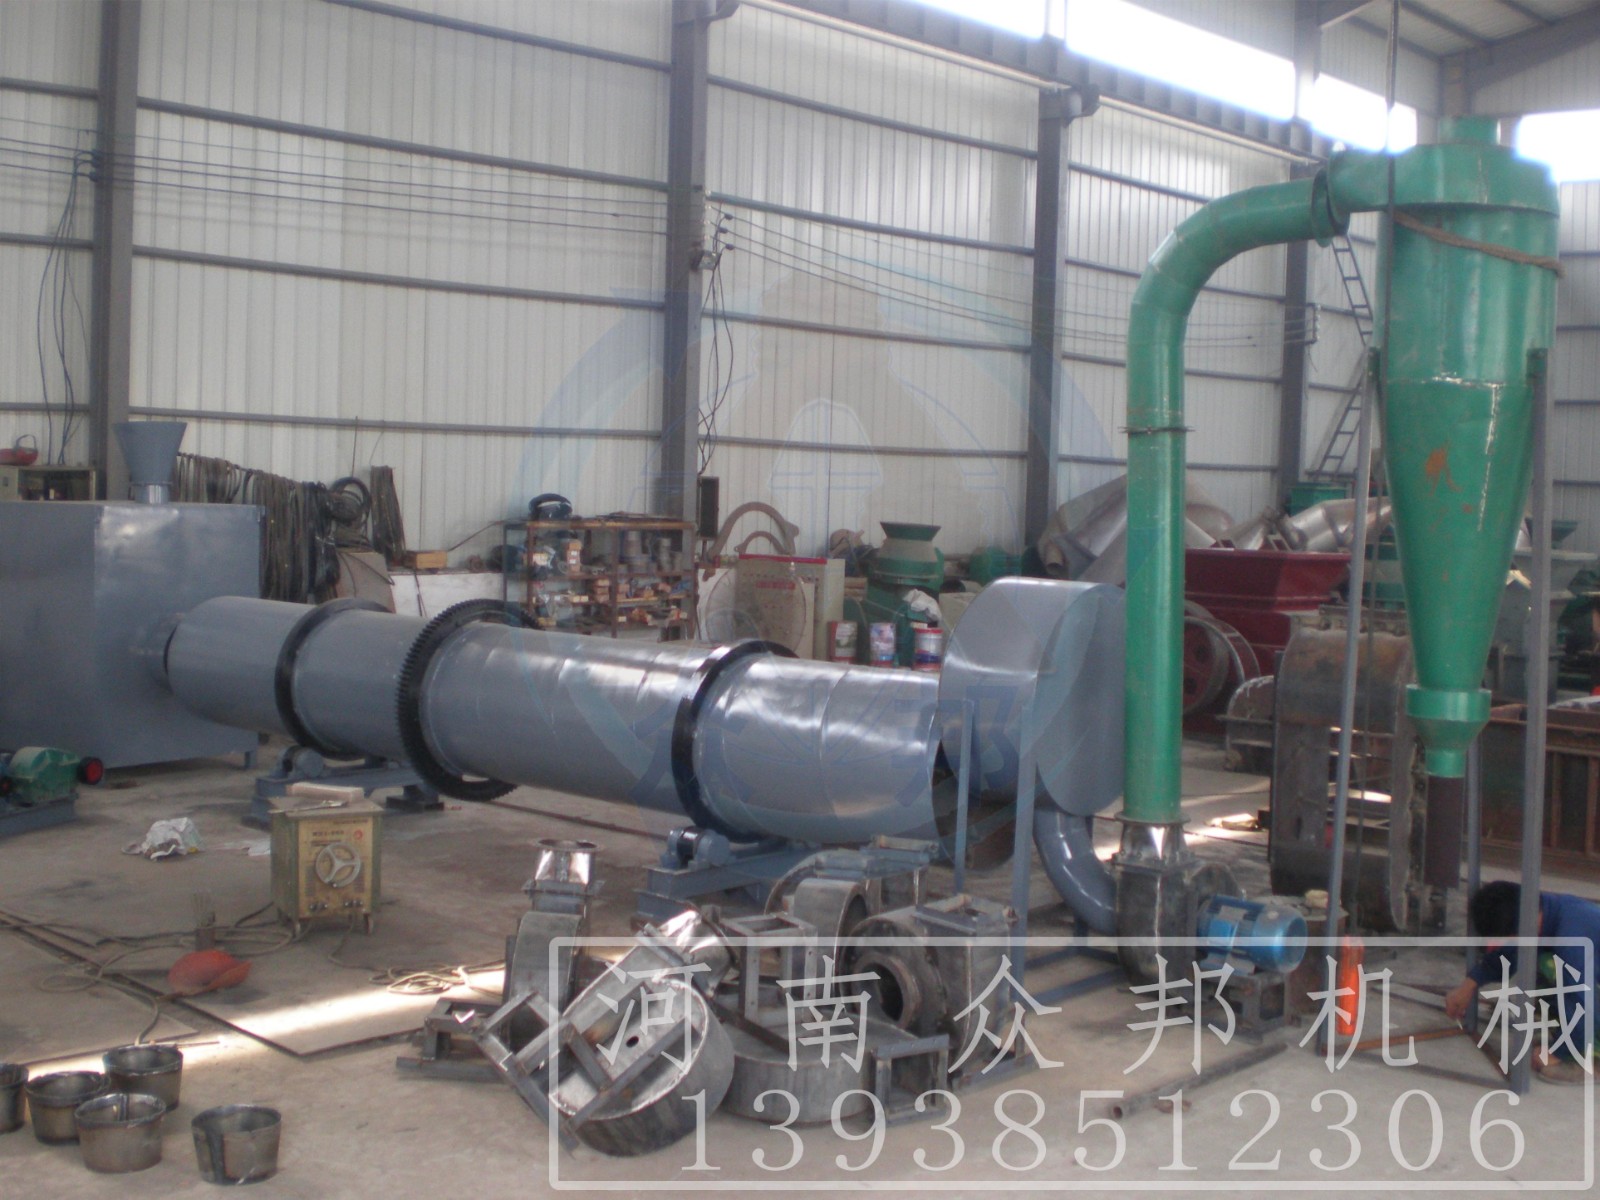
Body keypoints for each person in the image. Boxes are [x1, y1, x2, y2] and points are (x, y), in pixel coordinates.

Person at [1444, 881, 1600, 1084]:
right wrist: (1468, 985)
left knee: (1552, 970)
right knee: (1538, 968)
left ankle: (1587, 1059)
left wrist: (1558, 1052)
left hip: (1587, 999)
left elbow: (1582, 1002)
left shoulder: (1571, 938)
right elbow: (1510, 954)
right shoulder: (1540, 909)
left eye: (1509, 937)